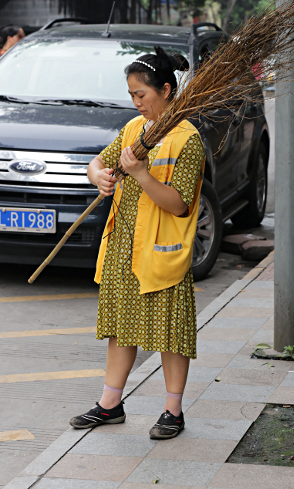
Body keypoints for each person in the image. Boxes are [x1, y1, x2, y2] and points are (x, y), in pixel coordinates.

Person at [69, 46, 205, 440]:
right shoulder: (134, 130)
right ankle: (110, 404)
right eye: (131, 95)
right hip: (123, 247)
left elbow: (179, 206)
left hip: (163, 252)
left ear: (165, 89)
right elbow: (99, 161)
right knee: (120, 329)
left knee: (170, 333)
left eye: (140, 95)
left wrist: (142, 176)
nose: (135, 102)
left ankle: (172, 411)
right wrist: (100, 177)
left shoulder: (187, 139)